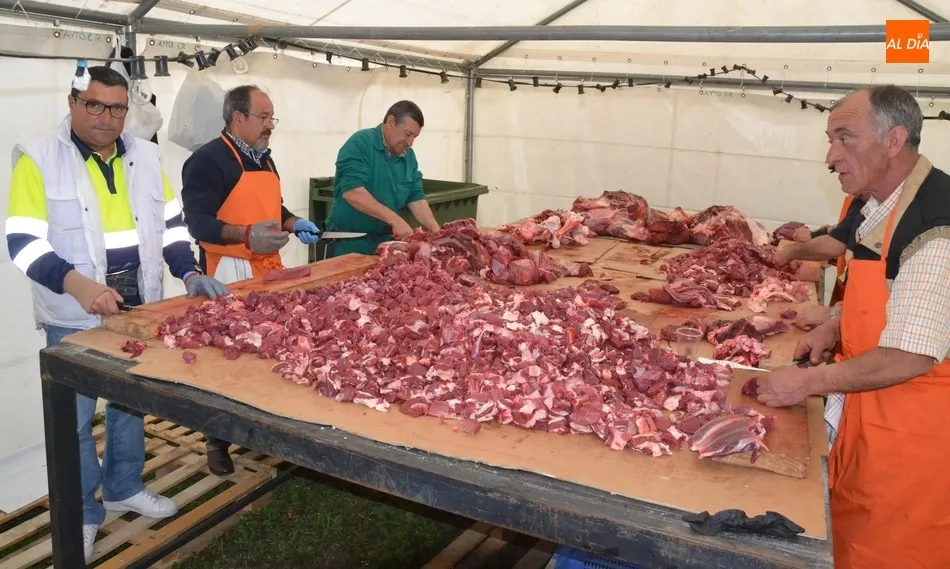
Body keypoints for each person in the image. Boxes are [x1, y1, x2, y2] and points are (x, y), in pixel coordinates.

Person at [4, 65, 229, 564]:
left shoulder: (147, 156)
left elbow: (171, 226)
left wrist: (189, 272)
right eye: (95, 106)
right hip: (73, 311)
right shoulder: (38, 158)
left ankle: (125, 485)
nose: (107, 118)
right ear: (72, 103)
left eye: (118, 108)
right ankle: (84, 512)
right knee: (75, 420)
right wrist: (80, 285)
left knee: (128, 403)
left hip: (138, 304)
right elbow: (21, 242)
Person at [756, 85, 950, 569]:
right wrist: (837, 324)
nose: (830, 156)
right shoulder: (880, 204)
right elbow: (894, 299)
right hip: (871, 417)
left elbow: (912, 353)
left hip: (915, 440)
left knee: (891, 550)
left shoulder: (935, 226)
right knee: (847, 538)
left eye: (845, 138)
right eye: (829, 139)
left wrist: (809, 382)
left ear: (893, 139)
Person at [180, 84, 320, 476]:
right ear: (237, 118)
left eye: (272, 117)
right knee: (225, 362)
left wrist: (294, 222)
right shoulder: (207, 161)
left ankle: (266, 429)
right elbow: (198, 222)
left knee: (271, 351)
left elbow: (273, 206)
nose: (270, 125)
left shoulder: (264, 159)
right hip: (227, 272)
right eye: (264, 117)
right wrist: (245, 235)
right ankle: (217, 441)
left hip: (268, 269)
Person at [324, 100, 441, 256]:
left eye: (415, 137)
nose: (410, 143)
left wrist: (438, 232)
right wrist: (395, 220)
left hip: (385, 246)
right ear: (391, 122)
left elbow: (416, 198)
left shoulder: (408, 157)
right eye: (408, 134)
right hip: (350, 244)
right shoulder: (361, 143)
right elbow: (353, 192)